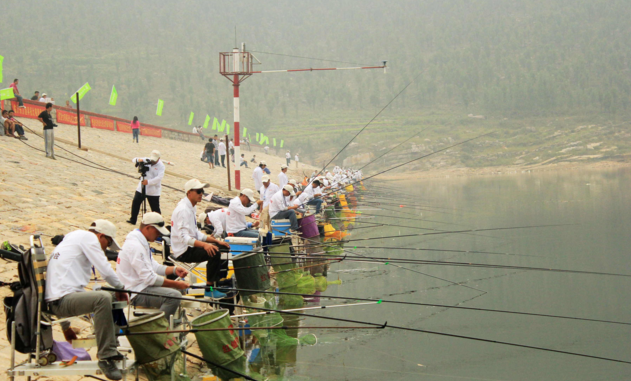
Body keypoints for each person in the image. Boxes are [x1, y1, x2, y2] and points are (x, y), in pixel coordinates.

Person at [45, 220, 128, 380]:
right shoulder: (88, 238)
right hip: (61, 302)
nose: (105, 248)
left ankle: (111, 343)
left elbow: (61, 284)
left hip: (61, 299)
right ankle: (106, 356)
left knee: (109, 295)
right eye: (108, 243)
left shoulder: (73, 238)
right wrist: (121, 288)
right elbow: (105, 269)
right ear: (101, 236)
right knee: (102, 298)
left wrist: (65, 327)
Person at [116, 212, 189, 320]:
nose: (159, 234)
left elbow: (154, 267)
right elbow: (150, 278)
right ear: (148, 228)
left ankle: (172, 322)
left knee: (178, 290)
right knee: (174, 296)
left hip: (142, 286)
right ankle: (160, 328)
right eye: (157, 231)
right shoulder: (135, 246)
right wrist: (176, 284)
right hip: (135, 292)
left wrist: (174, 270)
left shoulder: (141, 241)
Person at [170, 179, 230, 296]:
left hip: (190, 246)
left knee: (224, 248)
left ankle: (219, 282)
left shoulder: (191, 207)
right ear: (189, 193)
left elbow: (196, 233)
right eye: (198, 191)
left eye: (202, 191)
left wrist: (215, 241)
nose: (201, 194)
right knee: (214, 252)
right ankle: (210, 290)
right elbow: (184, 238)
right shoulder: (183, 210)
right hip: (184, 251)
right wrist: (205, 245)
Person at [127, 150, 165, 225]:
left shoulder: (161, 166)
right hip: (142, 187)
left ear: (159, 158)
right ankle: (133, 219)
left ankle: (159, 222)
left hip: (153, 190)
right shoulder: (146, 160)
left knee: (155, 208)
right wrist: (138, 160)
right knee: (135, 203)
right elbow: (134, 159)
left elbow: (159, 178)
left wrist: (148, 182)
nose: (153, 161)